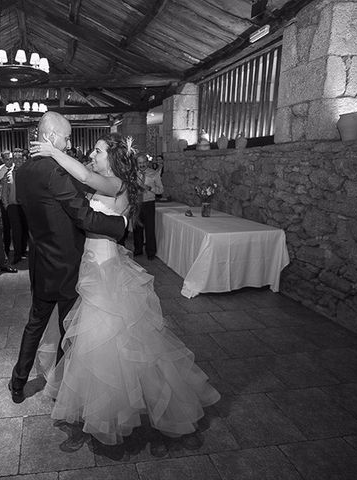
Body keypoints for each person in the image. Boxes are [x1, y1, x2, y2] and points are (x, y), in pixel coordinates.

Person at [28, 133, 220, 453]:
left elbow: (85, 176)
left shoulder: (115, 184)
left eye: (98, 150)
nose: (92, 153)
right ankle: (101, 408)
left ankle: (111, 414)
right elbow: (81, 188)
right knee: (96, 343)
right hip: (91, 265)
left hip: (104, 271)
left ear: (114, 159)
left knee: (107, 341)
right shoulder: (106, 183)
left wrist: (51, 151)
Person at [8, 112, 126, 405]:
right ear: (51, 138)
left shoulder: (22, 172)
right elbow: (83, 216)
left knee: (35, 323)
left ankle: (17, 382)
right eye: (67, 136)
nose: (70, 142)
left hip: (39, 261)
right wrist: (119, 226)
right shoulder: (55, 172)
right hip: (67, 264)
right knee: (68, 329)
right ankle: (63, 387)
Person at [133, 153, 164, 260]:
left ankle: (151, 252)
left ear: (147, 162)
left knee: (150, 229)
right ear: (137, 164)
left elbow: (161, 190)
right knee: (137, 228)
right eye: (139, 163)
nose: (142, 165)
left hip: (149, 203)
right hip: (137, 203)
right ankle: (138, 250)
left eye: (144, 162)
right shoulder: (134, 174)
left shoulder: (154, 174)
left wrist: (150, 188)